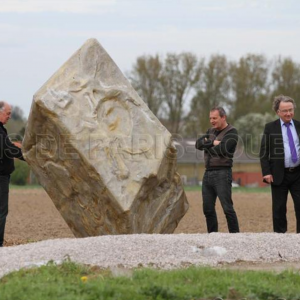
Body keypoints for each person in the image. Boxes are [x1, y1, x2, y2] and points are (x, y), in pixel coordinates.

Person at [195, 106, 239, 233]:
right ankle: (212, 235)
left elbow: (222, 150)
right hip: (207, 173)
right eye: (210, 118)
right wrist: (214, 142)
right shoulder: (211, 131)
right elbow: (198, 144)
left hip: (223, 173)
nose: (212, 121)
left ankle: (235, 236)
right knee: (207, 209)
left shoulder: (232, 132)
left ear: (223, 117)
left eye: (215, 118)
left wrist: (208, 143)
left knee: (227, 208)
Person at [260, 95, 300, 233]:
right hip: (278, 175)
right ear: (278, 112)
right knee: (279, 209)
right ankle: (279, 239)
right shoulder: (270, 128)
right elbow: (263, 153)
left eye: (290, 110)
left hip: (298, 174)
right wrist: (266, 172)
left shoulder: (299, 126)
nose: (288, 113)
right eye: (284, 111)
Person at [0, 101, 25, 247]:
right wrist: (27, 156)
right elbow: (7, 148)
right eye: (8, 113)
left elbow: (8, 146)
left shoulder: (2, 130)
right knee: (1, 211)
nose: (9, 116)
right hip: (0, 177)